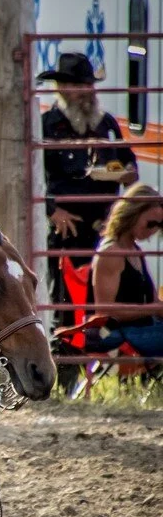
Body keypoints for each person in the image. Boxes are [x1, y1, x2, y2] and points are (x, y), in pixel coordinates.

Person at [39, 50, 137, 315]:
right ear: (60, 88)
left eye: (86, 84)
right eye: (74, 85)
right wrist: (52, 210)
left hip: (105, 228)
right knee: (66, 302)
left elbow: (130, 165)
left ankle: (105, 351)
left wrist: (126, 176)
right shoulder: (46, 126)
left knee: (109, 303)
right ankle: (67, 351)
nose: (83, 91)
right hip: (68, 229)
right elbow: (33, 179)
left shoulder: (107, 124)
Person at [90, 182, 163, 358]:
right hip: (115, 333)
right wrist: (151, 310)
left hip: (143, 327)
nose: (153, 230)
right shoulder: (111, 253)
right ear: (133, 213)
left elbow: (154, 301)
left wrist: (155, 308)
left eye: (159, 226)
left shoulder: (136, 250)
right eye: (150, 223)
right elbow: (105, 312)